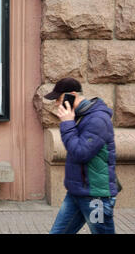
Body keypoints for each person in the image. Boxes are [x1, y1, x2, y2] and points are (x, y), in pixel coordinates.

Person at [44, 77, 118, 234]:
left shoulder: (97, 119)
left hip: (95, 198)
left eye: (58, 98)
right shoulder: (80, 116)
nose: (56, 103)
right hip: (76, 193)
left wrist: (67, 124)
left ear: (72, 95)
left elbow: (81, 153)